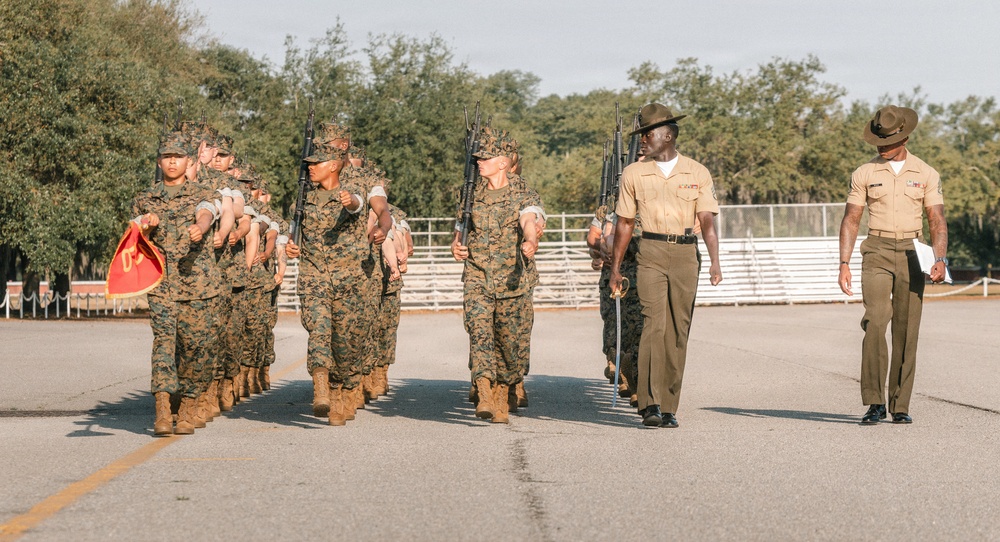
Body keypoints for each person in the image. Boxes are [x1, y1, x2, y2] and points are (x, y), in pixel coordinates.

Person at [609, 103, 722, 428]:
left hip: (686, 255)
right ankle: (649, 404)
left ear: (668, 135)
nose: (643, 140)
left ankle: (670, 405)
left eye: (649, 134)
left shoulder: (697, 172)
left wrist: (714, 262)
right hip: (651, 252)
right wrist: (616, 268)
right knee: (653, 325)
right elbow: (625, 223)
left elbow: (707, 222)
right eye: (642, 134)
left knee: (677, 331)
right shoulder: (633, 173)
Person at [837, 105, 948, 425]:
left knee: (907, 329)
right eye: (879, 142)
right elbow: (851, 219)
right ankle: (874, 401)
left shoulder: (926, 173)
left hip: (914, 252)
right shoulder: (864, 173)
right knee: (875, 320)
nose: (882, 148)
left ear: (906, 137)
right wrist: (843, 262)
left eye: (888, 142)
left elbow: (937, 220)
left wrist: (939, 258)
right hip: (877, 250)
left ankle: (900, 404)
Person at [284, 121, 382, 426]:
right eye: (309, 163)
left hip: (349, 281)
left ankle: (345, 390)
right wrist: (290, 247)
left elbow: (358, 205)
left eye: (318, 163)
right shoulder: (301, 201)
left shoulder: (351, 195)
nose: (311, 168)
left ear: (335, 166)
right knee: (320, 331)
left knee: (346, 342)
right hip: (314, 278)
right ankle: (322, 387)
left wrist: (349, 200)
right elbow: (293, 235)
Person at [451, 126, 544, 424]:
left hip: (512, 281)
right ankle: (484, 392)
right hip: (478, 276)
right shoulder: (470, 193)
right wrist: (457, 245)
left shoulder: (523, 192)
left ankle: (505, 391)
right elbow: (461, 229)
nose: (479, 162)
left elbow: (529, 218)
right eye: (478, 158)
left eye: (486, 158)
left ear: (503, 162)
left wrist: (531, 240)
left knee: (509, 343)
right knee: (479, 334)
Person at [132, 131, 222, 435]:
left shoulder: (204, 194)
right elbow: (133, 239)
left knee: (196, 347)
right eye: (167, 156)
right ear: (159, 160)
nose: (172, 161)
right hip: (161, 285)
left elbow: (207, 212)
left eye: (179, 156)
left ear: (189, 161)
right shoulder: (145, 199)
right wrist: (145, 224)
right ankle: (161, 408)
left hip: (197, 286)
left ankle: (188, 405)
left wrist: (200, 226)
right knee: (164, 345)